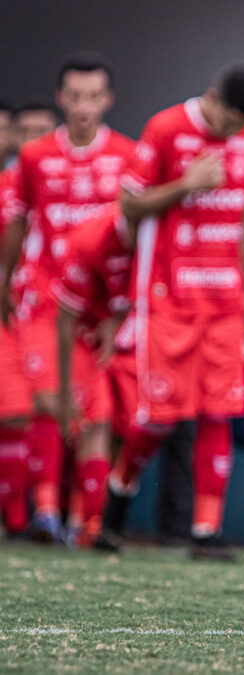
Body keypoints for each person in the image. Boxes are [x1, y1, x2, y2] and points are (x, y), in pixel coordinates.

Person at [102, 65, 244, 561]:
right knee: (158, 419)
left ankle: (205, 531)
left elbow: (243, 215)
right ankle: (117, 495)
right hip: (167, 300)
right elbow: (127, 207)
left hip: (223, 302)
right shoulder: (166, 128)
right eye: (226, 122)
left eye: (239, 126)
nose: (231, 133)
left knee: (220, 409)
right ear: (211, 98)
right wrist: (185, 183)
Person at [1, 57, 133, 544]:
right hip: (43, 297)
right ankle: (46, 516)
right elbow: (17, 221)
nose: (83, 107)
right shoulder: (35, 157)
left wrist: (119, 309)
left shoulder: (126, 155)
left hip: (97, 311)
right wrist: (6, 280)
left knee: (97, 415)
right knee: (44, 402)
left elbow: (133, 235)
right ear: (60, 98)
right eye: (74, 96)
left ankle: (89, 524)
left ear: (107, 100)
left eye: (93, 96)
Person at [51, 204, 136, 547]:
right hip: (84, 335)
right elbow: (65, 318)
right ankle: (88, 524)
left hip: (131, 330)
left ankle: (90, 520)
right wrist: (62, 386)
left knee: (131, 425)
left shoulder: (164, 233)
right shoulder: (88, 241)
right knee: (92, 421)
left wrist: (117, 320)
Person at [0, 103, 56, 537]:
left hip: (36, 311)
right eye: (24, 130)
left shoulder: (53, 184)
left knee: (28, 414)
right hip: (13, 309)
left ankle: (28, 521)